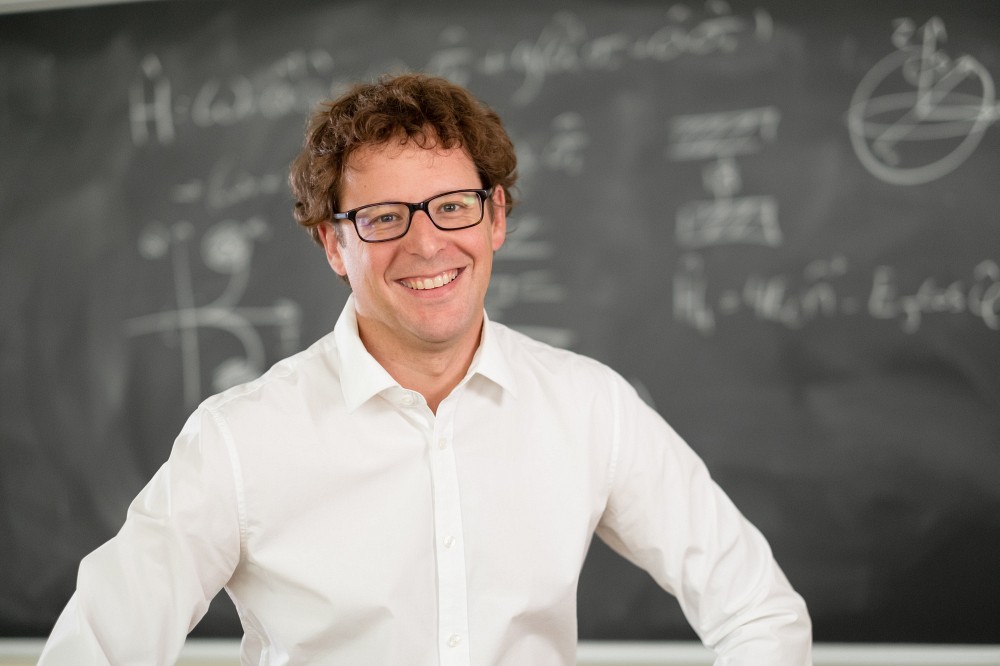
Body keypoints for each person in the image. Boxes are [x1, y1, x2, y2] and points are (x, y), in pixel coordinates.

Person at [39, 73, 812, 665]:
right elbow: (94, 649)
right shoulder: (240, 439)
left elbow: (759, 612)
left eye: (452, 205)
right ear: (333, 245)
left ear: (497, 215)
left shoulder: (589, 407)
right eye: (382, 218)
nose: (427, 244)